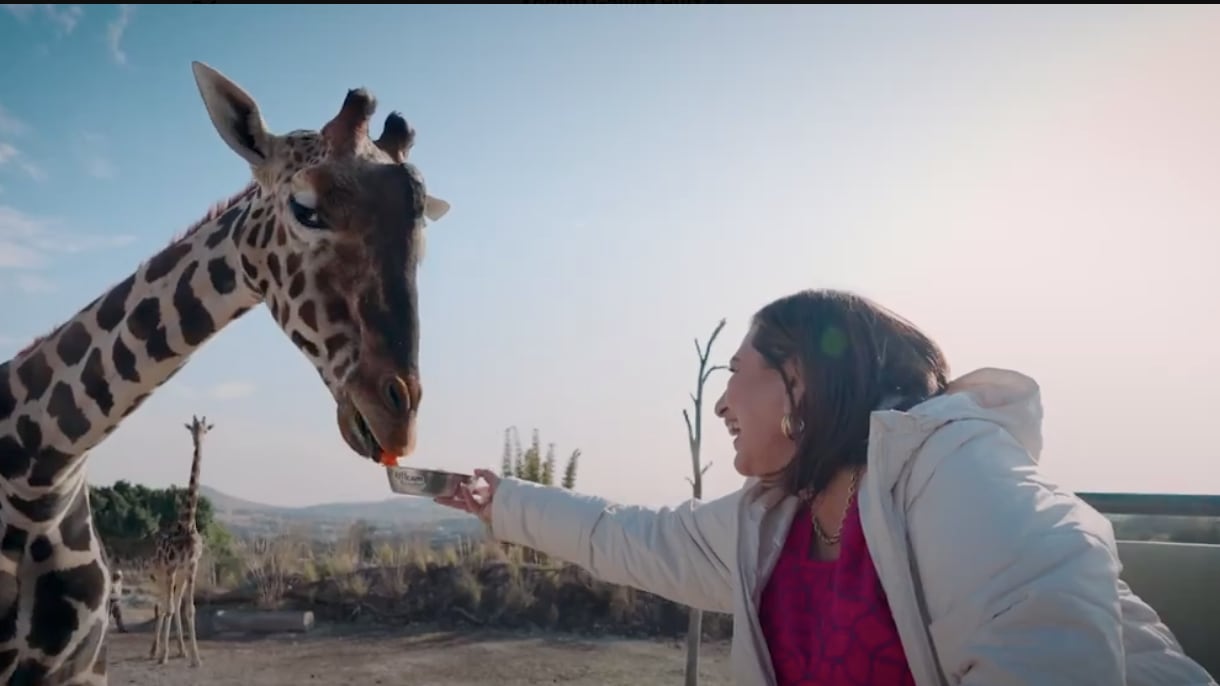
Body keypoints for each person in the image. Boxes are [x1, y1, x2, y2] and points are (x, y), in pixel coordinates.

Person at [437, 288, 1215, 686]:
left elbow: (1054, 585)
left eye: (736, 374)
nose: (719, 403)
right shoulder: (775, 520)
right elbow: (629, 536)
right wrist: (501, 500)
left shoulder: (960, 475)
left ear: (800, 381)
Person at [109, 569, 128, 633]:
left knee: (118, 616)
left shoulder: (118, 583)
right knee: (107, 616)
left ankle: (121, 629)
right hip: (111, 601)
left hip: (117, 601)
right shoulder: (111, 584)